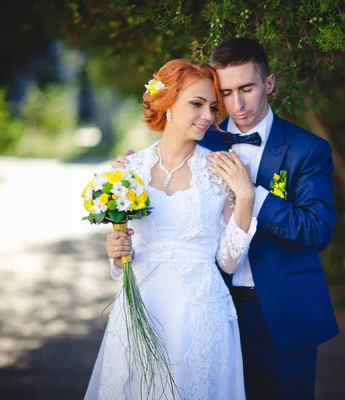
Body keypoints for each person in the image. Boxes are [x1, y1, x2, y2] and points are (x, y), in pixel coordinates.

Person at [113, 38, 339, 399]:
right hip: (212, 311)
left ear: (269, 83)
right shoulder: (204, 141)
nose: (237, 104)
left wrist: (254, 194)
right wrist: (132, 171)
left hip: (284, 313)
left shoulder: (307, 149)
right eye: (227, 93)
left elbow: (318, 229)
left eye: (247, 88)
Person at [84, 59, 256, 399]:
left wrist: (246, 196)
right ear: (167, 103)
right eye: (196, 104)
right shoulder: (128, 170)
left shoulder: (220, 172)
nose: (207, 115)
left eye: (211, 107)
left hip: (200, 311)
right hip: (142, 306)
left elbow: (229, 262)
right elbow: (123, 257)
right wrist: (116, 254)